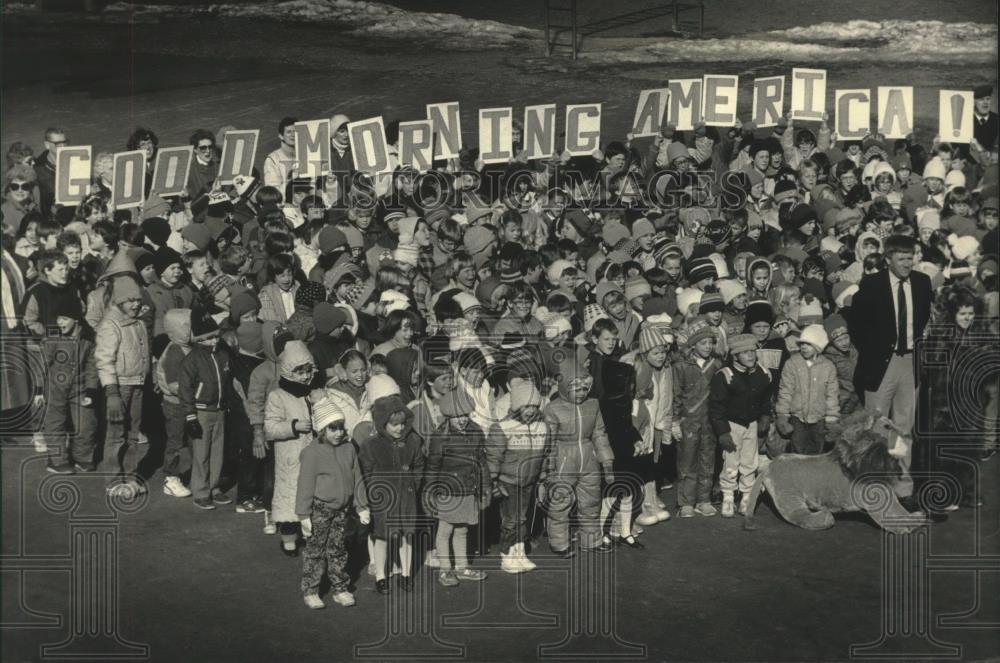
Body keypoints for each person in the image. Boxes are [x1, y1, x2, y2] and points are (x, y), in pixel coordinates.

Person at [849, 234, 933, 505]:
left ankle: (902, 489)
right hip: (880, 365)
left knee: (903, 429)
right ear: (888, 259)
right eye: (901, 259)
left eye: (911, 258)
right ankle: (871, 490)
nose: (908, 263)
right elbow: (857, 325)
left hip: (910, 363)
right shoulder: (872, 284)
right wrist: (874, 352)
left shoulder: (922, 283)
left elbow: (921, 323)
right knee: (874, 429)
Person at [297, 398, 370, 609]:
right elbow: (305, 485)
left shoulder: (349, 449)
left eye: (341, 428)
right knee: (315, 550)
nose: (338, 433)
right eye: (332, 428)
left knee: (338, 548)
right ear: (322, 429)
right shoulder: (312, 453)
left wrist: (362, 506)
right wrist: (303, 515)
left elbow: (357, 479)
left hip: (342, 509)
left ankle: (340, 587)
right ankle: (311, 590)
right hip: (320, 508)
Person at [543, 356, 614, 556]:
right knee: (560, 502)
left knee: (591, 502)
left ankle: (591, 540)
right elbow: (549, 441)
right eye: (576, 389)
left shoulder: (593, 405)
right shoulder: (553, 408)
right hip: (563, 460)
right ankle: (559, 543)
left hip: (588, 458)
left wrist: (606, 459)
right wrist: (548, 468)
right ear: (565, 386)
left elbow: (599, 433)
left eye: (585, 389)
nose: (582, 393)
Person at [358, 393, 424, 594]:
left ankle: (406, 574)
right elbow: (365, 472)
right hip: (384, 500)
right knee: (382, 537)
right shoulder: (371, 445)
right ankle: (380, 576)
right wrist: (372, 493)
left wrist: (414, 482)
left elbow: (419, 464)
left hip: (407, 497)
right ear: (381, 423)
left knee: (407, 536)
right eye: (394, 424)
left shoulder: (413, 440)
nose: (400, 428)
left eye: (402, 423)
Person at [424, 389, 491, 586]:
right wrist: (429, 491)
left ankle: (461, 568)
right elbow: (433, 467)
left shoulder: (476, 431)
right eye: (456, 416)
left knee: (462, 529)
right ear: (447, 416)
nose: (462, 420)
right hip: (448, 492)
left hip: (468, 490)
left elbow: (482, 461)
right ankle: (445, 570)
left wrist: (485, 485)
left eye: (465, 415)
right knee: (445, 530)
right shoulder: (440, 437)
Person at [94, 275, 150, 497]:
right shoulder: (110, 325)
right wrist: (112, 393)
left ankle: (130, 476)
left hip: (138, 384)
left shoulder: (139, 323)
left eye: (137, 299)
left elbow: (144, 353)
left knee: (133, 433)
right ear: (118, 301)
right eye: (129, 300)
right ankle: (114, 481)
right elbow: (104, 360)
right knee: (116, 434)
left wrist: (149, 376)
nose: (135, 304)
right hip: (120, 387)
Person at [486, 380, 547, 574]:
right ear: (517, 405)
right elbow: (493, 457)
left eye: (534, 406)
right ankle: (507, 555)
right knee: (511, 521)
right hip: (508, 482)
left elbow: (546, 453)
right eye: (526, 406)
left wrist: (544, 475)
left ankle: (519, 552)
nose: (530, 411)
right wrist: (493, 480)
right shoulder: (503, 427)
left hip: (529, 481)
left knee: (522, 519)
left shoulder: (542, 427)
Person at [708, 333, 772, 517]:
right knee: (730, 462)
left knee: (749, 462)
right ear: (735, 356)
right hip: (732, 425)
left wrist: (765, 416)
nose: (750, 355)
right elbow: (716, 408)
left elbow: (766, 399)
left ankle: (746, 496)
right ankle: (728, 496)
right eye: (745, 352)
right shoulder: (725, 376)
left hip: (751, 424)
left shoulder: (763, 373)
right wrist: (722, 432)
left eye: (753, 351)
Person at [266, 341, 319, 555]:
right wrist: (292, 426)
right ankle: (288, 538)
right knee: (289, 497)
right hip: (290, 453)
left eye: (308, 371)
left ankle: (309, 532)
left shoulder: (312, 393)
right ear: (289, 372)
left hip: (311, 452)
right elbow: (270, 427)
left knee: (309, 493)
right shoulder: (277, 396)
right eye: (300, 372)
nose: (306, 377)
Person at [179, 311, 232, 510]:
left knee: (218, 451)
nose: (214, 340)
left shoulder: (222, 354)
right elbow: (185, 390)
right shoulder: (192, 360)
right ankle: (200, 490)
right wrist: (190, 416)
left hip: (219, 409)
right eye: (208, 337)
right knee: (202, 453)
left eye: (216, 336)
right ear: (199, 339)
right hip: (201, 411)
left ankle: (214, 487)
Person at [39, 297, 98, 474]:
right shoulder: (53, 338)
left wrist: (91, 389)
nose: (60, 322)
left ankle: (82, 457)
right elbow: (41, 364)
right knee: (55, 424)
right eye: (58, 318)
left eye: (64, 318)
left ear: (76, 319)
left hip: (79, 387)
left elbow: (92, 364)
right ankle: (57, 461)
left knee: (86, 423)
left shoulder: (88, 338)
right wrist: (38, 390)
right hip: (55, 388)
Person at [672, 318, 722, 518]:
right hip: (688, 420)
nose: (708, 347)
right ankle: (686, 502)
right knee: (687, 461)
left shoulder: (717, 364)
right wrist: (674, 420)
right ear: (693, 344)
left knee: (707, 460)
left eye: (710, 342)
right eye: (703, 343)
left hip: (710, 421)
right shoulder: (681, 366)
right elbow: (676, 394)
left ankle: (704, 500)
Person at [775, 324, 840, 455]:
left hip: (819, 419)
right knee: (797, 453)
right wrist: (782, 416)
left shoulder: (828, 366)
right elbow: (785, 391)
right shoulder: (792, 363)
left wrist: (832, 420)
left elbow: (832, 395)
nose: (804, 347)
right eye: (802, 344)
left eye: (808, 344)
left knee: (818, 453)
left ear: (818, 347)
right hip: (797, 418)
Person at [155, 309, 193, 498]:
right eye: (186, 327)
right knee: (176, 440)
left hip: (188, 401)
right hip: (176, 403)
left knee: (193, 439)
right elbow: (174, 384)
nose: (190, 330)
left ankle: (195, 473)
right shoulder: (174, 352)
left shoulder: (188, 347)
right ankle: (171, 478)